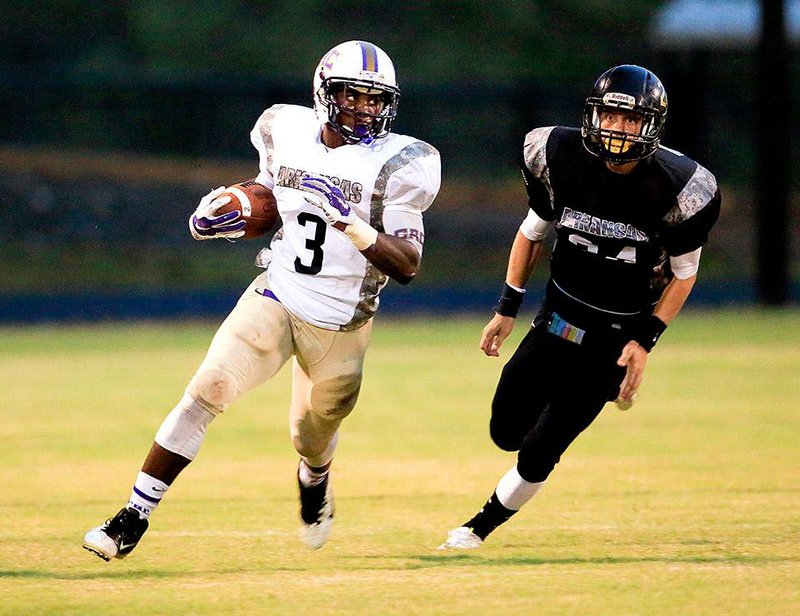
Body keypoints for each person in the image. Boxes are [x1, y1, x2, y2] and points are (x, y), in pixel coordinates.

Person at [83, 40, 441, 560]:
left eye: (375, 99)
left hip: (342, 320)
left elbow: (407, 263)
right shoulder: (284, 128)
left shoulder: (401, 164)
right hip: (277, 291)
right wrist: (227, 211)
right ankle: (133, 515)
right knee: (206, 389)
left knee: (310, 435)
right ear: (325, 93)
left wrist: (350, 221)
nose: (365, 109)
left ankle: (314, 478)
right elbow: (271, 199)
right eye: (353, 95)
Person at [439, 64, 720, 549]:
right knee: (506, 432)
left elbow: (684, 273)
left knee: (542, 450)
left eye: (631, 120)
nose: (618, 128)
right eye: (610, 114)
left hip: (615, 338)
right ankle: (583, 396)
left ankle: (476, 529)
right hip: (558, 322)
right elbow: (533, 232)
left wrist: (645, 340)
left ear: (651, 125)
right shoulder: (557, 154)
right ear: (593, 114)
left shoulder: (681, 187)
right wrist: (507, 306)